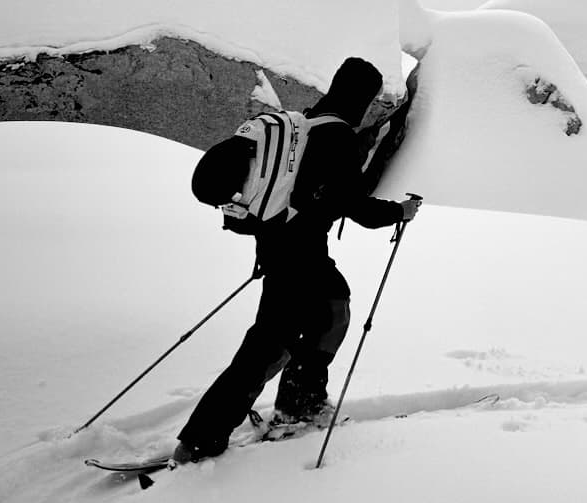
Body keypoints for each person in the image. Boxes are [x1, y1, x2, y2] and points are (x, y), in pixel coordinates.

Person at [174, 57, 420, 462]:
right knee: (269, 346)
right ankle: (201, 439)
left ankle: (299, 403)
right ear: (363, 95)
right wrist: (398, 213)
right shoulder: (336, 133)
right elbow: (350, 203)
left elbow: (298, 194)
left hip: (285, 247)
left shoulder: (310, 121)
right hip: (298, 253)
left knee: (329, 310)